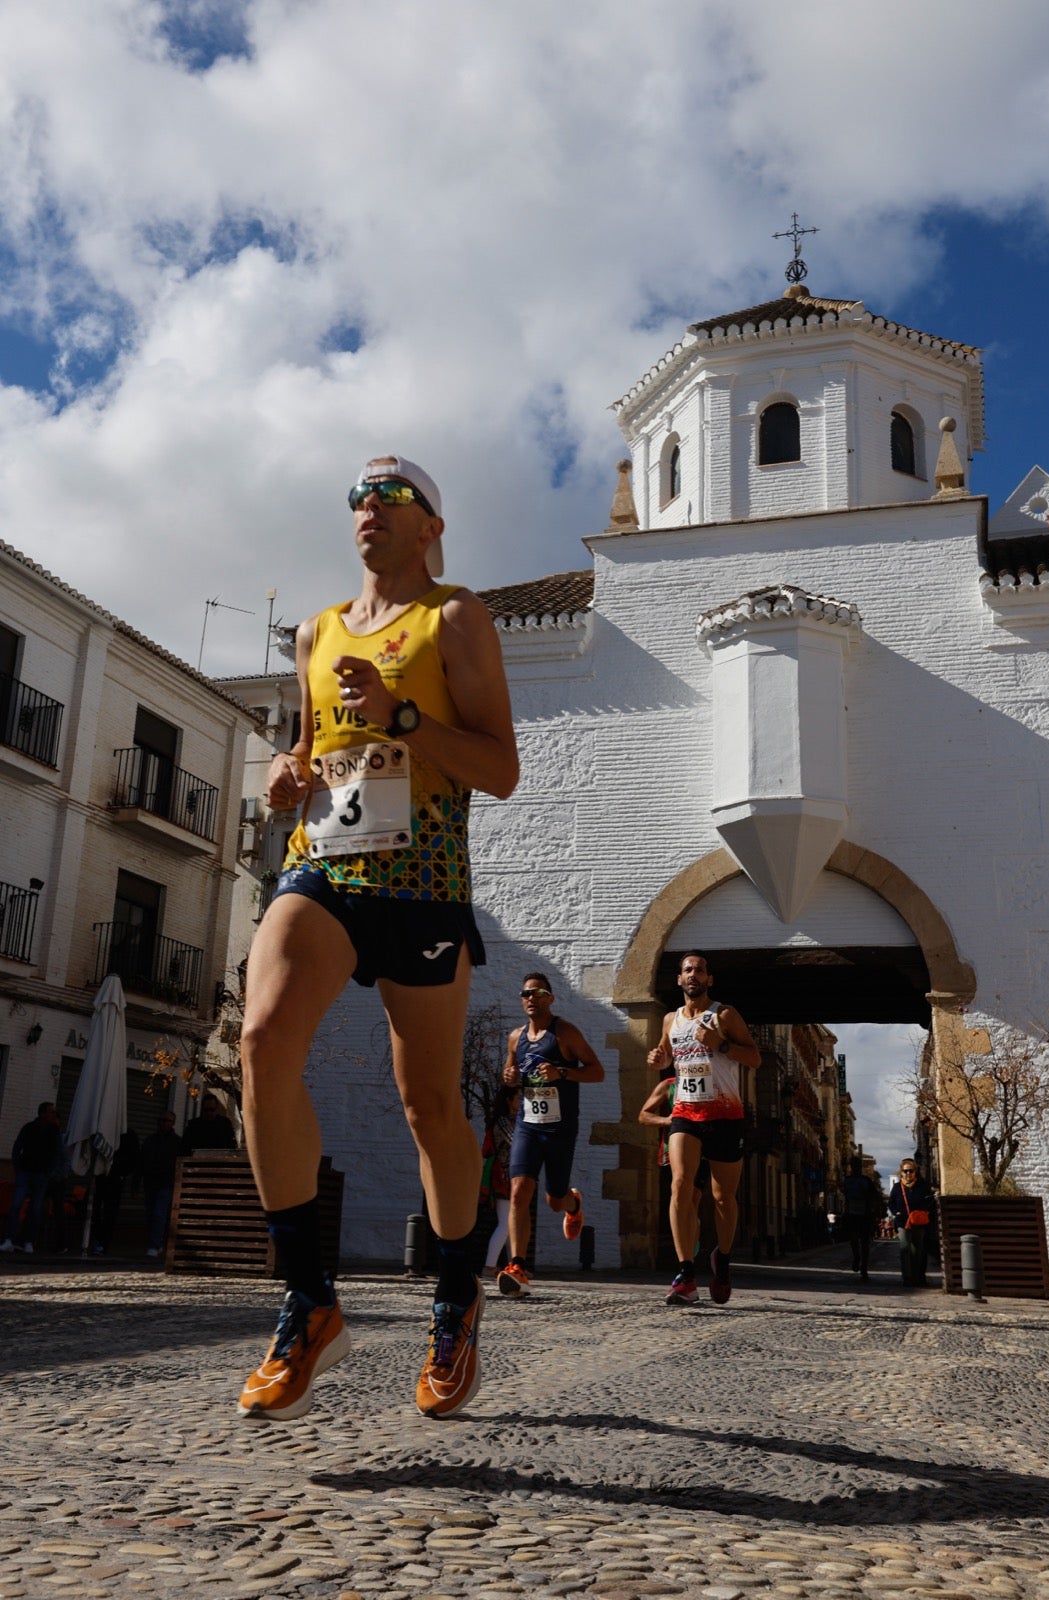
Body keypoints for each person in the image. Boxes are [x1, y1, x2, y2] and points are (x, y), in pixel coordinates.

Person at [238, 453, 518, 1422]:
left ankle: (455, 1293)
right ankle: (309, 1298)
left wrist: (403, 715)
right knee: (262, 1037)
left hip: (424, 881)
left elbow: (500, 767)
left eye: (390, 497)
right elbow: (313, 752)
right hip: (326, 866)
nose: (369, 509)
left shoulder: (454, 619)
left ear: (430, 525)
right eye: (357, 496)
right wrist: (287, 773)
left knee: (429, 1105)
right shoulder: (315, 630)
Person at [647, 952, 761, 1306]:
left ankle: (721, 1261)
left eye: (699, 970)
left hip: (726, 1115)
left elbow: (754, 1058)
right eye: (686, 970)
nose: (692, 974)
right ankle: (685, 1274)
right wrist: (658, 1059)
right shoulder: (670, 1019)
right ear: (679, 980)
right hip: (685, 1113)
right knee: (679, 1184)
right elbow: (666, 1054)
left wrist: (722, 1044)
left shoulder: (725, 1014)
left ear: (709, 979)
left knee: (722, 1198)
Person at [496, 974, 605, 1297]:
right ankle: (517, 1265)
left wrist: (563, 1073)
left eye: (538, 993)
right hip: (528, 1125)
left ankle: (573, 1204)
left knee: (554, 1200)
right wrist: (509, 1077)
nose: (531, 998)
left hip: (559, 1127)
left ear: (550, 998)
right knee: (518, 1192)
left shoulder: (565, 1033)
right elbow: (510, 1076)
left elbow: (597, 1071)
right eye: (526, 993)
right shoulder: (516, 1037)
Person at [638, 1075, 709, 1256]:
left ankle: (689, 1249)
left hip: (704, 1147)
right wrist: (670, 1120)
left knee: (693, 1196)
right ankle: (687, 1255)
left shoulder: (712, 1080)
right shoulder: (668, 1085)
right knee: (682, 1193)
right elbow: (643, 1115)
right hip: (674, 1150)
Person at [0, 1102, 62, 1255]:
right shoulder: (29, 1128)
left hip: (41, 1174)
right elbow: (17, 1146)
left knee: (35, 1209)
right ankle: (10, 1239)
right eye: (51, 1112)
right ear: (42, 1113)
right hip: (25, 1171)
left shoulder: (54, 1132)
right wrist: (17, 1167)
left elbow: (57, 1153)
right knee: (16, 1205)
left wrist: (49, 1172)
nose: (53, 1114)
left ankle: (28, 1241)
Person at [480, 1085, 518, 1274]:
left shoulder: (511, 1121)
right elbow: (517, 1141)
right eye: (518, 1098)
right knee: (505, 1223)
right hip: (504, 1177)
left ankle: (515, 1265)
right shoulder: (503, 1123)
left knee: (511, 1224)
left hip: (510, 1176)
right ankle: (490, 1265)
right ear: (509, 1101)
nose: (521, 1102)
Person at [138, 1110, 184, 1258]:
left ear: (173, 1123)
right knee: (152, 1214)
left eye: (167, 1121)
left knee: (159, 1214)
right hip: (151, 1183)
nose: (163, 1123)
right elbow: (141, 1163)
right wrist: (136, 1183)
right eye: (161, 1120)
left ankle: (154, 1245)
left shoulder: (177, 1143)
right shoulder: (150, 1141)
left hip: (167, 1184)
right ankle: (157, 1243)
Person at [91, 1127, 140, 1255]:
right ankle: (94, 1238)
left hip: (115, 1178)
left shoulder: (128, 1134)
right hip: (100, 1176)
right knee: (95, 1208)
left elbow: (134, 1157)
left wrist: (121, 1173)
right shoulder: (103, 1129)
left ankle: (103, 1242)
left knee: (110, 1211)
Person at [888, 1158, 936, 1287]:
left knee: (918, 1251)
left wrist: (925, 1211)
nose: (908, 1173)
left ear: (915, 1172)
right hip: (903, 1222)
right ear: (901, 1173)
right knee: (905, 1249)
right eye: (905, 1171)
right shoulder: (898, 1187)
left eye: (911, 1171)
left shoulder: (922, 1186)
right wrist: (896, 1212)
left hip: (919, 1222)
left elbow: (930, 1201)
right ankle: (907, 1277)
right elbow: (891, 1202)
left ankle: (918, 1276)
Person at [841, 1154, 880, 1283]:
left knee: (864, 1243)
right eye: (853, 1165)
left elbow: (874, 1197)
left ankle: (863, 1268)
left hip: (864, 1215)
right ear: (851, 1167)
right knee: (855, 1241)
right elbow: (845, 1198)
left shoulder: (865, 1181)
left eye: (857, 1165)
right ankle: (858, 1258)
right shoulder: (848, 1181)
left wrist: (872, 1212)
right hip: (854, 1214)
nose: (855, 1167)